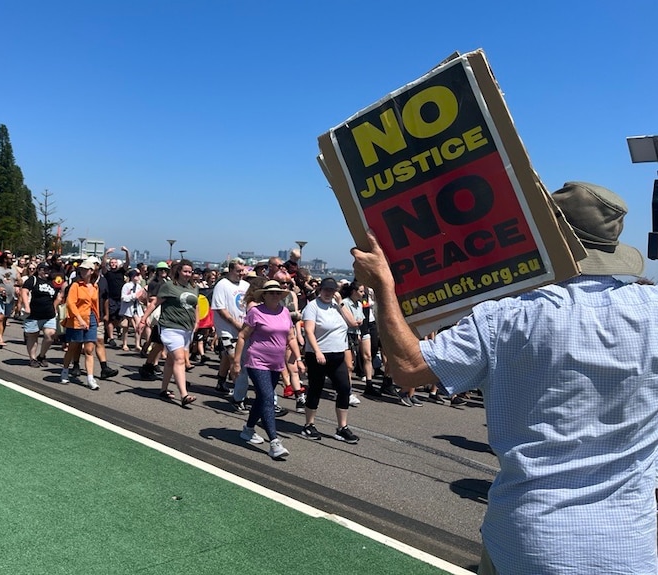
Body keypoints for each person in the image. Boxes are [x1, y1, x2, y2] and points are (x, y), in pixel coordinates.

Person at [351, 181, 657, 575]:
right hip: (630, 543)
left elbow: (407, 367)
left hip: (530, 537)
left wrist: (383, 286)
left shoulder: (509, 316)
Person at [232, 280, 304, 460]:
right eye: (271, 292)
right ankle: (274, 442)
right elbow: (242, 336)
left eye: (277, 293)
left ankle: (248, 430)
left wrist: (299, 359)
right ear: (263, 295)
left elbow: (291, 337)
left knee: (262, 397)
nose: (275, 295)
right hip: (257, 361)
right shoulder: (256, 312)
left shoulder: (285, 312)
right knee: (267, 398)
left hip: (276, 363)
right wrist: (236, 362)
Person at [300, 277, 359, 444]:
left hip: (338, 354)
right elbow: (310, 331)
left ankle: (342, 427)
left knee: (344, 388)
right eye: (326, 290)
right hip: (319, 355)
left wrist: (340, 304)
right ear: (320, 289)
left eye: (332, 291)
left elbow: (352, 323)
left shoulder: (336, 306)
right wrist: (317, 351)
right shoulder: (312, 307)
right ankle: (309, 424)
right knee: (315, 389)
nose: (328, 293)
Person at [138, 259, 198, 406]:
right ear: (178, 271)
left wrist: (197, 322)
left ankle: (163, 389)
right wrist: (143, 318)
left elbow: (195, 306)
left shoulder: (193, 287)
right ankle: (184, 394)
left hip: (187, 329)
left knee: (171, 361)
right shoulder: (169, 286)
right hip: (170, 327)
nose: (187, 274)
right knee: (179, 359)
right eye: (185, 271)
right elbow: (154, 303)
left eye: (190, 272)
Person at [60, 260, 100, 388]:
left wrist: (97, 319)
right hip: (77, 320)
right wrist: (79, 319)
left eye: (86, 269)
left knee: (89, 349)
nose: (83, 271)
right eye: (82, 269)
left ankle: (90, 378)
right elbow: (70, 303)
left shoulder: (94, 286)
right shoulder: (76, 285)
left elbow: (95, 304)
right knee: (73, 347)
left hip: (91, 318)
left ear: (92, 271)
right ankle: (65, 370)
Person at [212, 258, 249, 394]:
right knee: (234, 358)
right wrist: (235, 323)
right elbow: (221, 309)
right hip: (227, 330)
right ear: (231, 270)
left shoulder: (245, 286)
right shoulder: (222, 285)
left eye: (243, 270)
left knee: (227, 358)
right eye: (238, 271)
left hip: (242, 329)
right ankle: (239, 392)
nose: (241, 273)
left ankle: (221, 382)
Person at [21, 262, 62, 368]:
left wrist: (55, 307)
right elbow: (24, 291)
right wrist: (26, 306)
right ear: (39, 270)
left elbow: (59, 295)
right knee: (33, 336)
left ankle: (42, 356)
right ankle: (33, 358)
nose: (46, 272)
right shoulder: (33, 280)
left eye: (48, 269)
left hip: (49, 314)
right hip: (33, 314)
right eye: (44, 269)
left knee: (50, 335)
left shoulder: (52, 282)